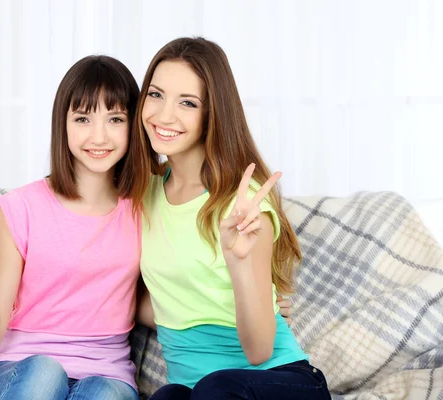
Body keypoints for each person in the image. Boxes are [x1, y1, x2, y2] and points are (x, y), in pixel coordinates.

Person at [132, 37, 331, 399]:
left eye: (187, 103)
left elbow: (259, 351)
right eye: (156, 95)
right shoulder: (143, 194)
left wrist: (240, 267)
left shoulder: (242, 204)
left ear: (213, 114)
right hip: (197, 390)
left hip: (277, 380)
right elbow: (152, 298)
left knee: (216, 388)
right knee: (168, 397)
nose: (164, 115)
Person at [0, 55, 146, 400]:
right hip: (18, 369)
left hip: (107, 372)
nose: (99, 136)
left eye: (115, 119)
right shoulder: (21, 208)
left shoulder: (144, 209)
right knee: (45, 373)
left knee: (103, 394)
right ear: (62, 124)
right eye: (83, 118)